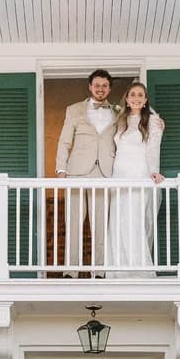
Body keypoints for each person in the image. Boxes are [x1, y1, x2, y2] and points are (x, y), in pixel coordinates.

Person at [52, 68, 119, 268]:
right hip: (76, 171)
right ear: (90, 86)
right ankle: (71, 270)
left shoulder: (118, 111)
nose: (100, 89)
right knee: (73, 222)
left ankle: (98, 270)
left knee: (101, 225)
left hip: (105, 172)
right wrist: (60, 169)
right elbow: (64, 141)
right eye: (97, 85)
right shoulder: (74, 109)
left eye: (104, 85)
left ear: (109, 88)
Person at [105, 79, 165, 270]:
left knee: (134, 219)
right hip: (119, 173)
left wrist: (154, 171)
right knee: (118, 219)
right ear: (127, 99)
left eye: (140, 95)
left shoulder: (153, 121)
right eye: (133, 95)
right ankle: (118, 268)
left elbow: (153, 148)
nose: (136, 98)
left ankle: (138, 268)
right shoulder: (120, 120)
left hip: (138, 172)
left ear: (146, 100)